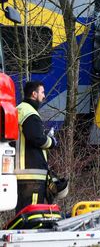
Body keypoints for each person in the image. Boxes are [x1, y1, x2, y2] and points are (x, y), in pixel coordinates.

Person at [15, 81, 58, 213]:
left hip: (23, 172)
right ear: (34, 94)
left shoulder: (20, 109)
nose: (44, 96)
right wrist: (52, 142)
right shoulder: (30, 112)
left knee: (22, 212)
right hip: (31, 173)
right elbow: (36, 138)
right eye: (42, 92)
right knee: (31, 212)